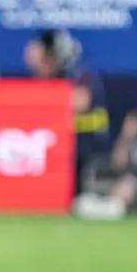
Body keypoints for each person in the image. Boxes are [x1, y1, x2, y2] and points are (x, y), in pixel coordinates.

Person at [24, 29, 111, 195]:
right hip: (56, 148)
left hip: (86, 147)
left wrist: (47, 98)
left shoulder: (81, 75)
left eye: (44, 57)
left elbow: (80, 102)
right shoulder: (48, 80)